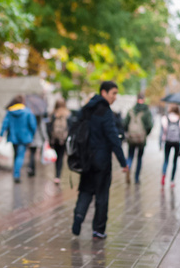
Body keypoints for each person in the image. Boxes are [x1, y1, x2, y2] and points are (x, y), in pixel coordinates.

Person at [71, 81, 128, 240]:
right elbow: (112, 138)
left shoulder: (87, 109)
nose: (115, 97)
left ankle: (78, 217)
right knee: (102, 195)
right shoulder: (105, 111)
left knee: (86, 190)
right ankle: (98, 230)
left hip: (85, 158)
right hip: (101, 160)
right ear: (104, 93)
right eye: (113, 93)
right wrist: (123, 162)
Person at [0, 95, 37, 183]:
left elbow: (5, 124)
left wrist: (1, 135)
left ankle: (16, 172)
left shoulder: (10, 112)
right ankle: (16, 174)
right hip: (24, 138)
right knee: (20, 156)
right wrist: (31, 135)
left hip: (13, 137)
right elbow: (33, 125)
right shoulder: (28, 112)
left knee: (16, 155)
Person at [124, 92, 153, 184]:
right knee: (139, 158)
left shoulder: (131, 110)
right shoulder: (146, 111)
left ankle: (128, 167)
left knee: (130, 156)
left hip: (131, 137)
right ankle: (136, 178)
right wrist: (146, 134)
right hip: (141, 138)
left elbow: (124, 123)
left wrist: (128, 132)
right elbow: (149, 125)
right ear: (143, 99)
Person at [160, 104, 180, 187]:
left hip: (167, 141)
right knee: (175, 161)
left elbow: (162, 132)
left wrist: (160, 143)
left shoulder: (165, 118)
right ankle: (172, 180)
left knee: (166, 160)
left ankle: (163, 176)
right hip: (176, 142)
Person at [47, 98, 71, 184]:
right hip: (63, 139)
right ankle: (58, 176)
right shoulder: (68, 114)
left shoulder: (53, 114)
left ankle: (56, 175)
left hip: (55, 139)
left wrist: (50, 138)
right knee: (61, 157)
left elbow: (49, 127)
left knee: (57, 158)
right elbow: (70, 128)